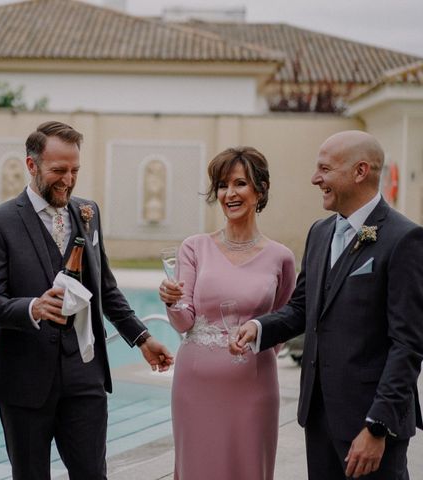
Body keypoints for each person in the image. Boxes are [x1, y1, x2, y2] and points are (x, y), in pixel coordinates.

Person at [0, 121, 174, 479]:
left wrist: (142, 338)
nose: (68, 180)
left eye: (75, 171)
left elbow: (107, 289)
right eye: (58, 170)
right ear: (32, 165)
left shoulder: (88, 212)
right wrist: (32, 308)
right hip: (24, 379)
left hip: (85, 374)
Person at [234, 131, 423, 479]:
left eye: (324, 169)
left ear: (360, 171)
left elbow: (407, 345)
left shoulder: (404, 239)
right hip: (318, 419)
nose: (314, 178)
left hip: (370, 426)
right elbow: (302, 308)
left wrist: (377, 427)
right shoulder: (319, 233)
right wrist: (259, 327)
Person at [159, 146, 296, 479]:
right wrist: (171, 301)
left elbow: (286, 323)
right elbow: (184, 320)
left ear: (260, 190)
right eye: (222, 185)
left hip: (255, 387)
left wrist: (252, 354)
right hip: (196, 385)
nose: (229, 194)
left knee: (249, 467)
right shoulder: (194, 247)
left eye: (240, 184)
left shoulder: (281, 258)